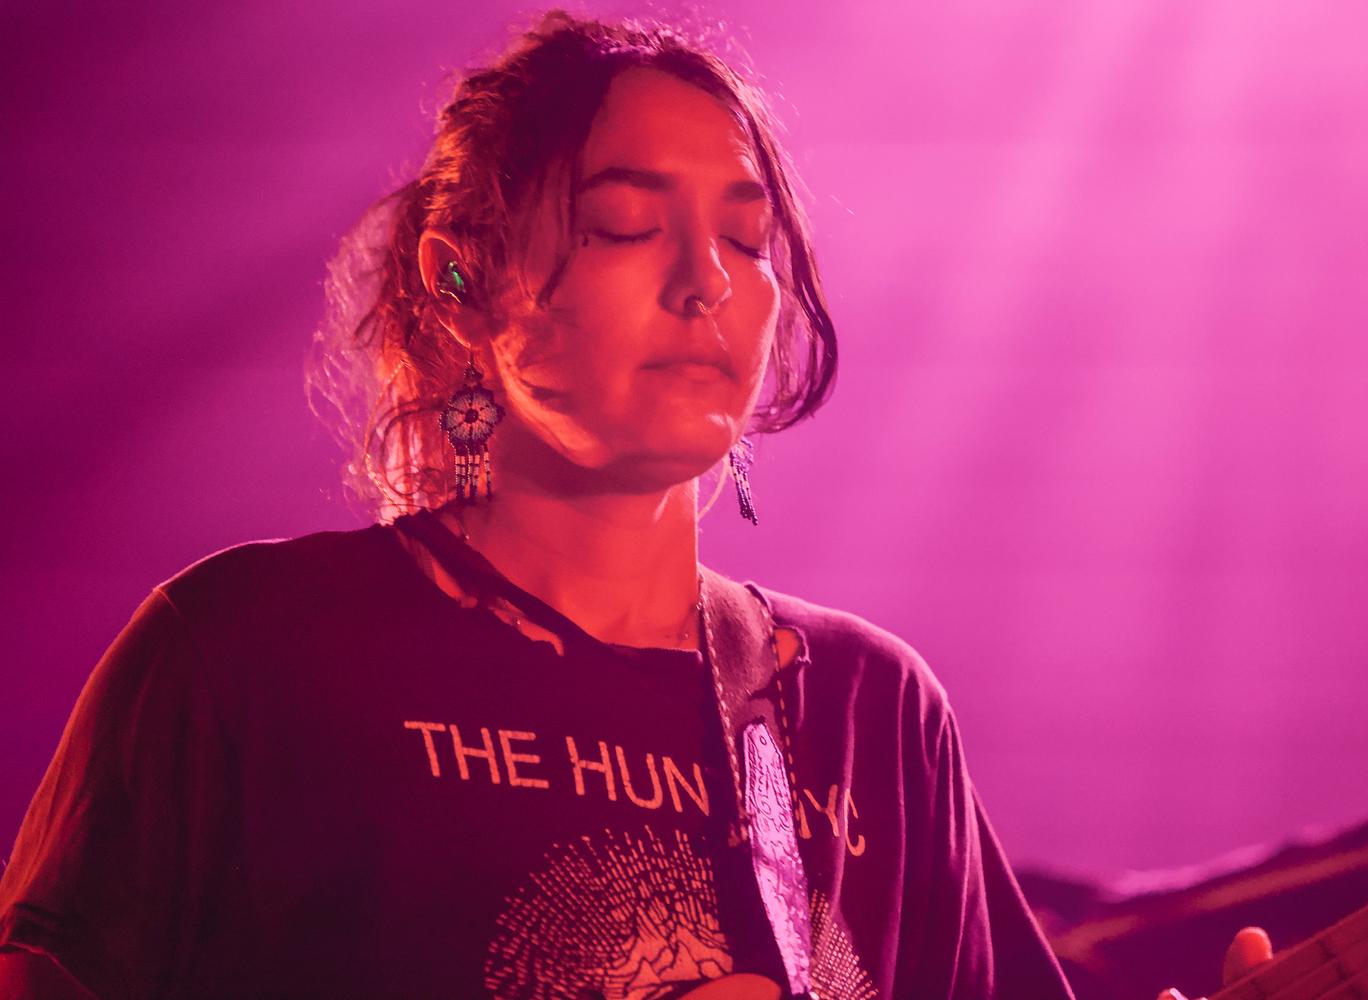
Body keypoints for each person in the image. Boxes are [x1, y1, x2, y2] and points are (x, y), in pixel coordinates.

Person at [0, 10, 1256, 999]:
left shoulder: (872, 712)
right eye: (622, 225)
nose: (707, 281)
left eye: (747, 242)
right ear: (461, 282)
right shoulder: (247, 652)